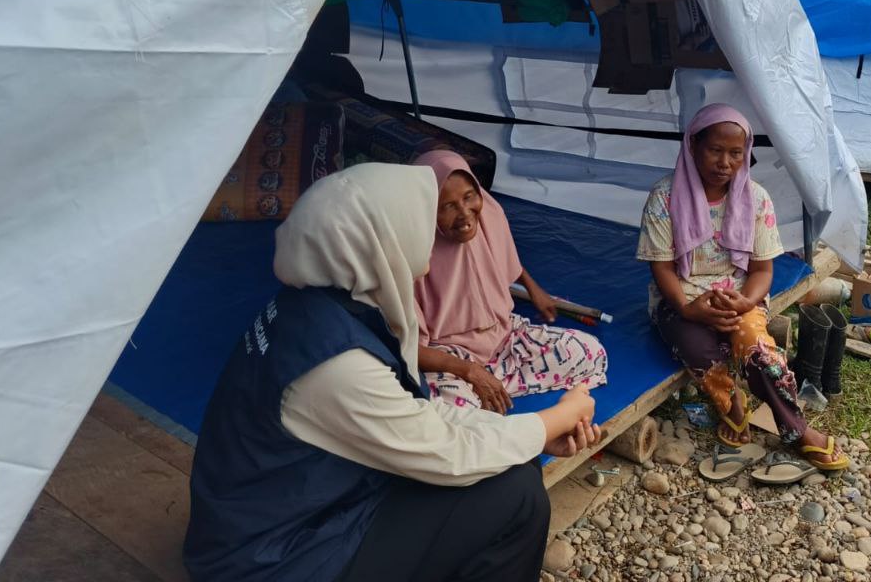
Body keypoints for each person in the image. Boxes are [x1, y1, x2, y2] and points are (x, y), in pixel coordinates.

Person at [183, 164, 600, 582]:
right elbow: (447, 452)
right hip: (272, 560)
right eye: (415, 235)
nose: (423, 264)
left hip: (286, 518)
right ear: (380, 244)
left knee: (512, 463)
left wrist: (534, 434)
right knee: (516, 496)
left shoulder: (314, 307)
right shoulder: (333, 366)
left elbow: (416, 413)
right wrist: (554, 420)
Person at [636, 103, 848, 471]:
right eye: (715, 150)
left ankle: (796, 429)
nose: (725, 162)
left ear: (746, 154)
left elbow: (762, 271)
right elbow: (663, 268)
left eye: (736, 153)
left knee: (759, 350)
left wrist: (744, 303)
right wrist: (689, 309)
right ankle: (733, 403)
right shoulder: (664, 197)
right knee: (695, 344)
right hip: (681, 298)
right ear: (692, 147)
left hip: (739, 297)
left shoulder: (757, 198)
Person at [413, 149, 608, 412]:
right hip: (452, 355)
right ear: (426, 210)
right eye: (447, 206)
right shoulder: (412, 253)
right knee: (450, 408)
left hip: (505, 338)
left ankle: (495, 387)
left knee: (589, 351)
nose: (465, 213)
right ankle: (485, 389)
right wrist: (469, 371)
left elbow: (504, 256)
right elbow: (410, 349)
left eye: (469, 197)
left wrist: (532, 287)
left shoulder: (488, 215)